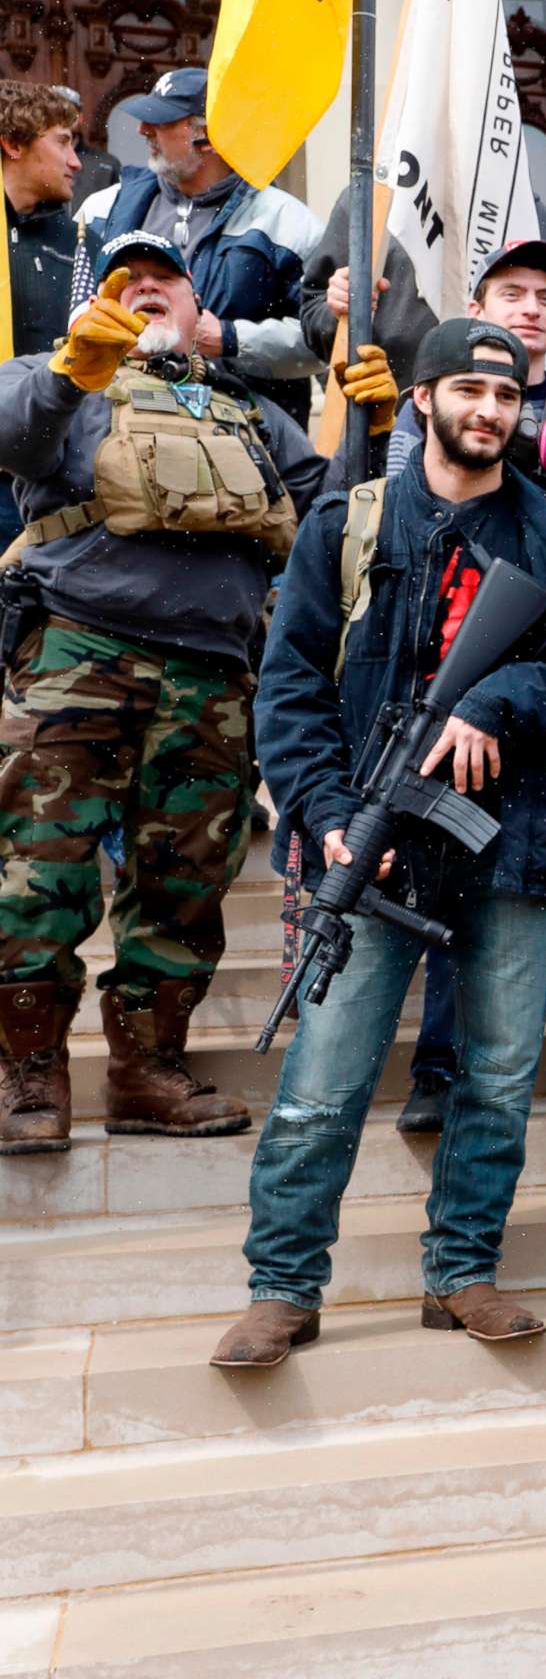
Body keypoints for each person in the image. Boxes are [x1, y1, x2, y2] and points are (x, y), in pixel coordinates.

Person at [213, 317, 546, 1368]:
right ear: (424, 401)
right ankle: (283, 1285)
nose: (491, 412)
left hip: (519, 843)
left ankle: (461, 1272)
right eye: (470, 393)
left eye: (509, 397)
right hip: (375, 839)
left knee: (496, 1076)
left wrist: (507, 695)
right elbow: (290, 691)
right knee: (323, 1079)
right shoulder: (347, 525)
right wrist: (327, 817)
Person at [0, 232, 328, 1157]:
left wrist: (390, 429)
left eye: (166, 282)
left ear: (197, 311)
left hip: (215, 674)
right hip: (78, 654)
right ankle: (28, 1074)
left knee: (185, 884)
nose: (147, 291)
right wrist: (73, 370)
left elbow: (333, 516)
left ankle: (147, 1071)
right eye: (126, 280)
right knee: (40, 872)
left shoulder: (251, 411)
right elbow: (8, 438)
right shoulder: (52, 377)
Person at [373, 238, 546, 1135]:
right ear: (480, 311)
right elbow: (407, 519)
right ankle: (438, 1063)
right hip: (467, 675)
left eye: (544, 296)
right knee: (463, 882)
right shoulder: (448, 399)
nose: (530, 308)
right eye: (511, 293)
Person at [70, 68, 323, 421]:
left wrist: (230, 339)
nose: (143, 130)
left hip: (242, 441)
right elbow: (68, 320)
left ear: (206, 136)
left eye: (161, 121)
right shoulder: (101, 210)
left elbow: (323, 340)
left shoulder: (289, 224)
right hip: (121, 432)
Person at [302, 195, 546, 401]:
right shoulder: (370, 201)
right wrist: (338, 312)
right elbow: (314, 321)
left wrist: (532, 394)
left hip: (505, 442)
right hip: (386, 432)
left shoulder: (518, 201)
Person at [0, 79, 83, 547]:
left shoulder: (81, 241)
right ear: (13, 144)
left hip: (50, 477)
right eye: (63, 142)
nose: (75, 162)